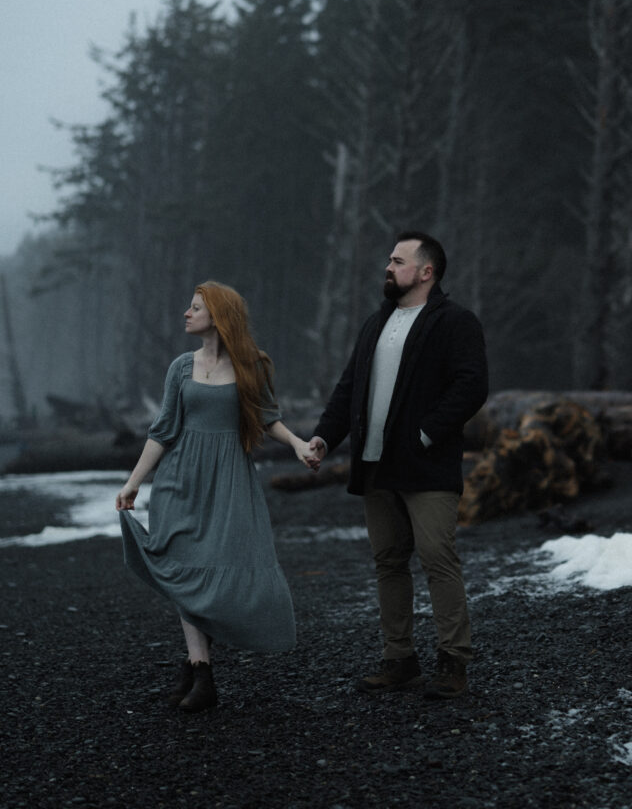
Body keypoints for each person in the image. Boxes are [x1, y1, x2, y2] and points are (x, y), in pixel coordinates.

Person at [116, 281, 319, 712]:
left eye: (195, 308)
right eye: (188, 307)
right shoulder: (181, 369)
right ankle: (201, 671)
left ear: (219, 315)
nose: (186, 314)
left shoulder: (251, 366)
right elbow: (162, 431)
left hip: (228, 480)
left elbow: (268, 420)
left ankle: (194, 668)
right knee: (185, 566)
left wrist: (299, 444)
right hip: (179, 480)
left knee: (221, 564)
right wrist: (134, 482)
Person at [309, 232, 487, 698]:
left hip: (426, 465)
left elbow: (471, 386)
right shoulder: (376, 322)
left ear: (426, 271)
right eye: (389, 260)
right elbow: (349, 388)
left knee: (437, 560)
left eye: (398, 260)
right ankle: (399, 659)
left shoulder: (454, 321)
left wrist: (424, 434)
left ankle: (453, 663)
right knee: (388, 562)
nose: (388, 267)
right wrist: (326, 436)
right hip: (374, 465)